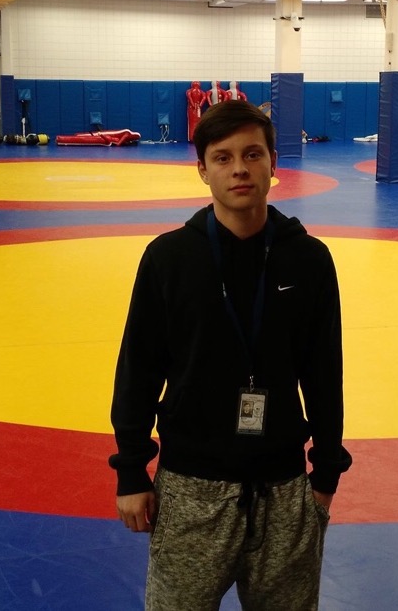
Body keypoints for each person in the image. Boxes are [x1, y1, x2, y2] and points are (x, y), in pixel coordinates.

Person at [110, 100, 352, 611]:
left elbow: (324, 374)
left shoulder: (308, 259)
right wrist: (131, 471)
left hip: (284, 489)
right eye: (222, 158)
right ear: (202, 170)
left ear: (273, 164)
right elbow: (138, 369)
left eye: (252, 154)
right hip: (191, 488)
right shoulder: (169, 259)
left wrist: (326, 473)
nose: (239, 169)